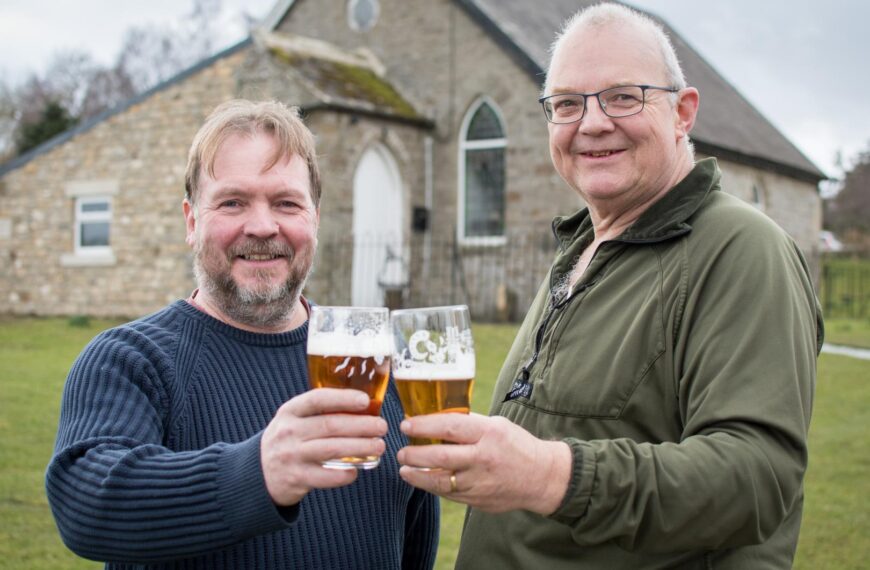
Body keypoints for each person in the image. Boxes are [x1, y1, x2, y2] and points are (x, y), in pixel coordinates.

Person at [396, 4, 823, 569]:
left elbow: (757, 478)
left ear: (682, 112)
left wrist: (550, 475)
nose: (592, 123)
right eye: (567, 104)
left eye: (623, 97)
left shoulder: (743, 249)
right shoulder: (582, 249)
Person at [45, 99, 438, 570]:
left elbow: (413, 546)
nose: (263, 226)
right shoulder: (130, 361)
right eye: (233, 202)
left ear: (314, 218)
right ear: (192, 221)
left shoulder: (375, 362)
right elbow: (86, 506)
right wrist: (257, 472)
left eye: (286, 203)